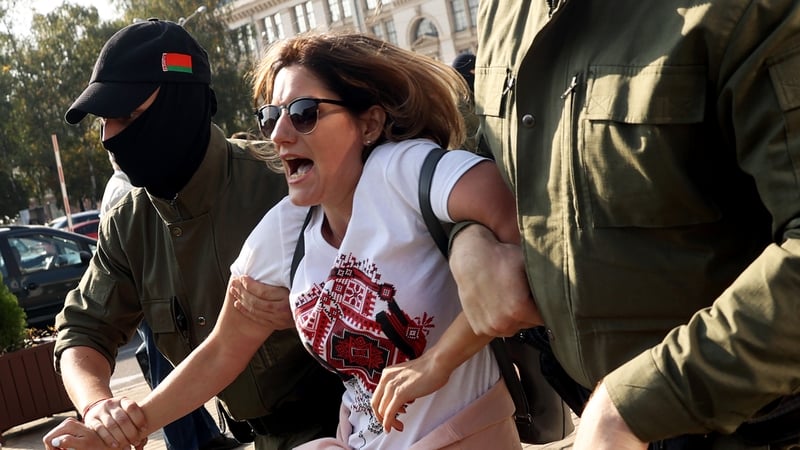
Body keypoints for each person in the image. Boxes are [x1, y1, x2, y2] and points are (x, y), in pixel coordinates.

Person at [44, 31, 524, 450]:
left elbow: (528, 248)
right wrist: (118, 428)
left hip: (462, 435)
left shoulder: (406, 173)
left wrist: (443, 348)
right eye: (271, 116)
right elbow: (221, 351)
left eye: (303, 112)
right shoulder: (286, 224)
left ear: (370, 123)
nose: (279, 134)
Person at [447, 1, 800, 449]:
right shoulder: (504, 10)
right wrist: (468, 238)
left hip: (748, 426)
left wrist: (635, 406)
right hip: (596, 417)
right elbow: (493, 150)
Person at [50, 18, 343, 450]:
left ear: (181, 104)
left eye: (128, 115)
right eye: (105, 120)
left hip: (349, 429)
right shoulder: (130, 222)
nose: (111, 137)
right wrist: (99, 410)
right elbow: (82, 330)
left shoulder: (285, 182)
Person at [99, 152, 240, 450]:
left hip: (155, 294)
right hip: (155, 296)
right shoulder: (127, 191)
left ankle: (204, 434)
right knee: (169, 370)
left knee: (178, 367)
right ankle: (188, 442)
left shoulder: (119, 186)